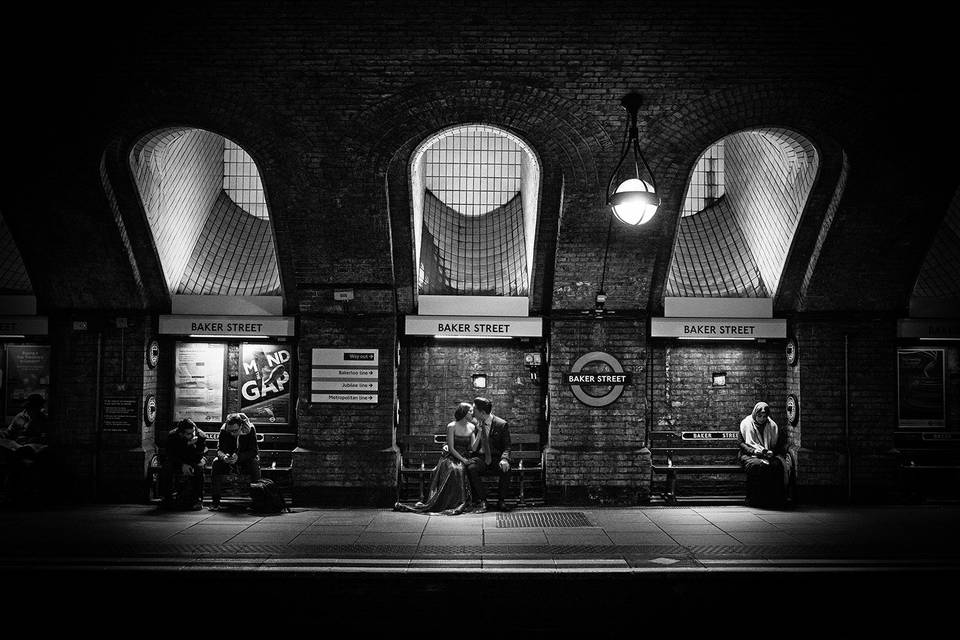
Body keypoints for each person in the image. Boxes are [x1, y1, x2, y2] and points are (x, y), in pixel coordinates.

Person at [394, 402, 477, 515]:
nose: (473, 413)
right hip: (451, 456)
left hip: (465, 456)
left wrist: (480, 432)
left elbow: (473, 447)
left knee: (461, 469)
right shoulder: (451, 426)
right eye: (470, 411)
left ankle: (458, 500)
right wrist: (463, 460)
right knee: (454, 469)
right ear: (463, 413)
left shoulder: (472, 427)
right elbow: (451, 448)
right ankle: (447, 501)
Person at [738, 401, 795, 508]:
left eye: (764, 416)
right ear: (755, 414)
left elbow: (777, 445)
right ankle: (755, 500)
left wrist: (771, 452)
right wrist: (755, 451)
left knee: (776, 466)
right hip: (749, 454)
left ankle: (772, 499)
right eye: (759, 416)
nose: (762, 419)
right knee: (757, 466)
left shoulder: (772, 426)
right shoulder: (746, 424)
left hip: (768, 454)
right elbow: (741, 444)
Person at [0, 394, 50, 504]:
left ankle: (13, 493)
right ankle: (10, 493)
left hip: (33, 449)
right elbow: (9, 432)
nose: (32, 410)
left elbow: (45, 437)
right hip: (17, 447)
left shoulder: (43, 419)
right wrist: (4, 435)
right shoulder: (20, 417)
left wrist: (30, 439)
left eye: (35, 408)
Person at [466, 396, 512, 513]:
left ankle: (501, 500)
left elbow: (507, 446)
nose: (472, 412)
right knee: (471, 468)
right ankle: (483, 501)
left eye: (474, 409)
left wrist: (505, 459)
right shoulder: (475, 424)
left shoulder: (501, 424)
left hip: (496, 458)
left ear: (482, 412)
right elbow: (473, 446)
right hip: (481, 458)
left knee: (506, 468)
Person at [209, 412, 260, 511]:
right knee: (216, 463)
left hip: (244, 460)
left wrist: (239, 457)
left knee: (254, 464)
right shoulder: (224, 430)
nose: (232, 433)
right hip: (228, 460)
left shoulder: (250, 429)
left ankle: (257, 501)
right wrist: (224, 457)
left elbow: (254, 451)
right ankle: (215, 502)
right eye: (230, 431)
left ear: (241, 426)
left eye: (235, 431)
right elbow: (219, 450)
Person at [160, 419, 207, 510]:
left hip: (195, 459)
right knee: (167, 466)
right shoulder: (173, 436)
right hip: (178, 460)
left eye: (193, 431)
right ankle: (167, 498)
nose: (193, 435)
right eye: (189, 433)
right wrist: (187, 444)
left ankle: (198, 499)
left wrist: (192, 447)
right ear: (181, 434)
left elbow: (199, 456)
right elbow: (170, 454)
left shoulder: (200, 436)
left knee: (199, 468)